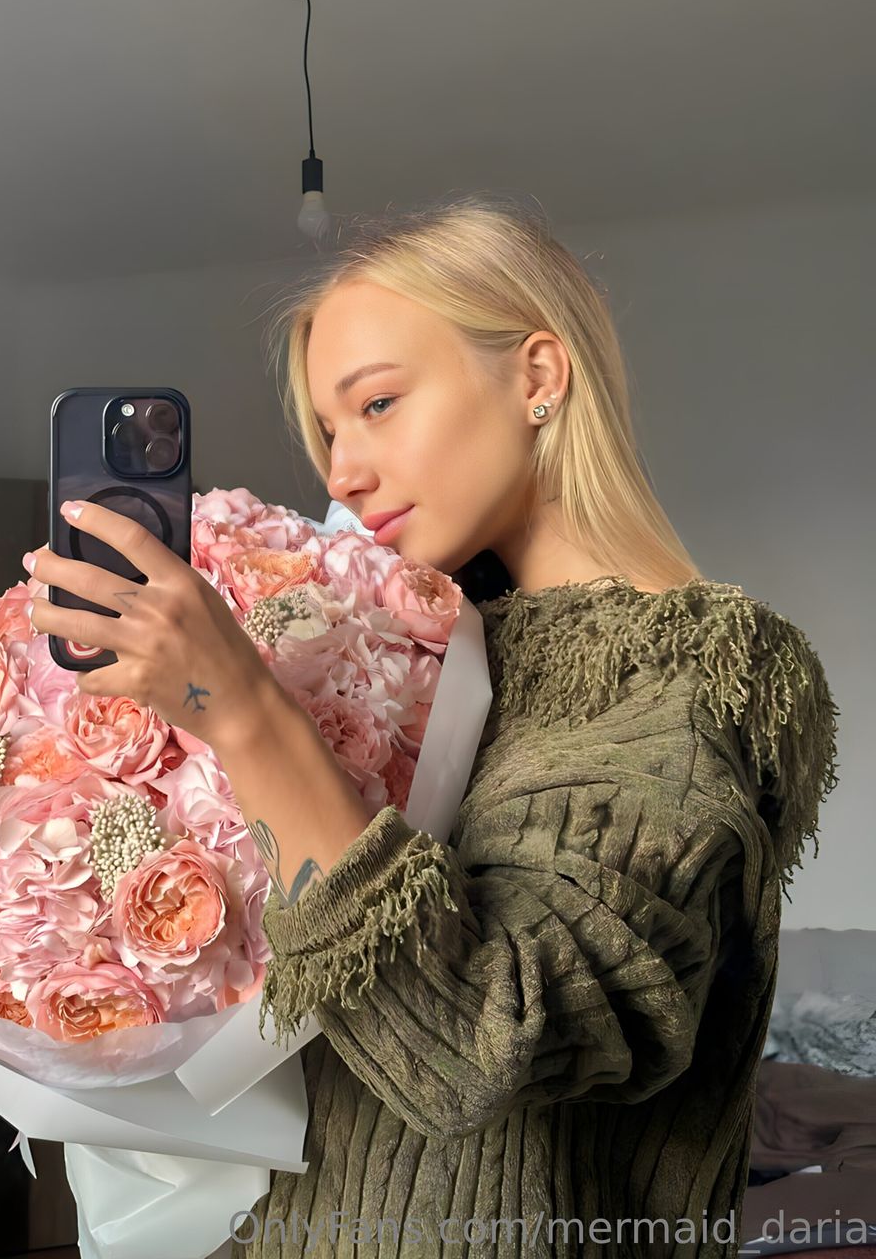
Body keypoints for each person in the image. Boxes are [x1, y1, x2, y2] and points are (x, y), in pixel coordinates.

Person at [215, 198, 840, 1258]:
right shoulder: (420, 655)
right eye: (328, 430)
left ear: (538, 376)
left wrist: (236, 709)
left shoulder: (698, 668)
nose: (341, 473)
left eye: (377, 404)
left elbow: (478, 1043)